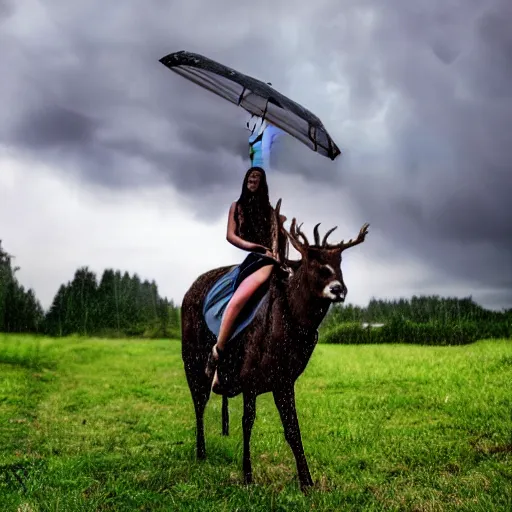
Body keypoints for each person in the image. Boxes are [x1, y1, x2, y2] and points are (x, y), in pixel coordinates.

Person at [205, 166, 279, 388]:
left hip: (269, 261)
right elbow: (230, 236)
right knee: (236, 301)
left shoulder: (271, 211)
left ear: (263, 183)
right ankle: (217, 353)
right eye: (250, 176)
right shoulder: (236, 207)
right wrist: (254, 246)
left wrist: (273, 254)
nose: (253, 178)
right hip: (254, 258)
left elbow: (275, 241)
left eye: (257, 176)